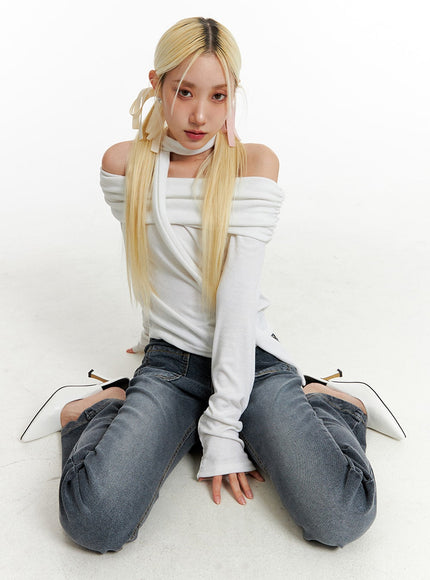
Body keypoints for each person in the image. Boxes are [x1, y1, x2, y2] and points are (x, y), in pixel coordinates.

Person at [21, 17, 405, 553]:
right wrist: (155, 336)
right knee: (93, 521)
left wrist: (223, 429)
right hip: (170, 366)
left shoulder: (254, 165)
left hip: (252, 358)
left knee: (342, 517)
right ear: (156, 85)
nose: (200, 114)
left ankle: (333, 403)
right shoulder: (125, 168)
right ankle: (99, 407)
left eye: (218, 95)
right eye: (184, 92)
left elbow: (235, 302)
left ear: (233, 96)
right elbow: (164, 260)